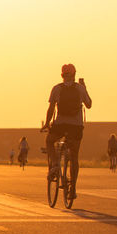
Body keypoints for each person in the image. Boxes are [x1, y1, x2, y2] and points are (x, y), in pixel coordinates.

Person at [41, 64, 92, 200]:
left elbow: (51, 108)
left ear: (62, 75)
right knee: (74, 157)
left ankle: (56, 165)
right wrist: (85, 87)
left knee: (49, 141)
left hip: (61, 125)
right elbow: (89, 104)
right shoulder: (80, 88)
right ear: (74, 74)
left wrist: (47, 123)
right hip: (76, 126)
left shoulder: (57, 88)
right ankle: (73, 188)